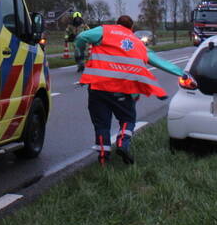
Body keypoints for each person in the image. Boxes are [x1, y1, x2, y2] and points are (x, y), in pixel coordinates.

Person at [74, 15, 184, 165]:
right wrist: (182, 73)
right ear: (131, 28)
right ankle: (122, 143)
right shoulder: (137, 42)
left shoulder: (105, 31)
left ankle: (102, 159)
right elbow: (159, 62)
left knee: (101, 124)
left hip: (98, 87)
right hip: (123, 89)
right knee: (127, 119)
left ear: (116, 24)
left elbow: (81, 37)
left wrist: (80, 54)